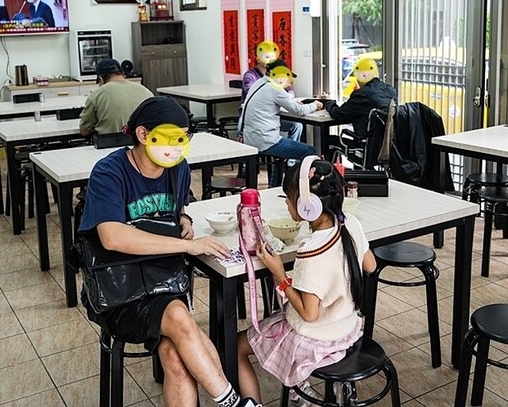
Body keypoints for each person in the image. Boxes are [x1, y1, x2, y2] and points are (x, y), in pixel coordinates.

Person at [78, 96, 258, 407]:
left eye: (183, 138)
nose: (178, 146)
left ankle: (232, 400)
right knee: (177, 315)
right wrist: (188, 245)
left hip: (163, 281)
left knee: (174, 354)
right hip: (120, 291)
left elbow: (179, 204)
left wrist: (184, 218)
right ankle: (231, 401)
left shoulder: (178, 168)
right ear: (144, 135)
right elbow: (111, 237)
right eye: (171, 138)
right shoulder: (109, 172)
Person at [235, 157, 376, 403]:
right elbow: (371, 265)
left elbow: (309, 314)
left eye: (288, 199)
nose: (287, 205)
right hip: (345, 325)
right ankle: (299, 388)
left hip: (316, 335)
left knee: (236, 347)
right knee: (278, 319)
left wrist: (279, 273)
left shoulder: (312, 251)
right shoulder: (350, 223)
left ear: (307, 206)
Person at [239, 59, 322, 187]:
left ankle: (275, 184)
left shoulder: (259, 83)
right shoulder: (275, 88)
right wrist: (315, 105)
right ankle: (297, 186)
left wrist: (292, 104)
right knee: (310, 151)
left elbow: (270, 104)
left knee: (294, 126)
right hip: (264, 140)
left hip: (250, 136)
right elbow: (299, 111)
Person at [240, 40, 303, 144]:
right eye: (267, 57)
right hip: (255, 118)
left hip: (275, 115)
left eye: (273, 58)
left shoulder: (277, 74)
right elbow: (253, 95)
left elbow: (290, 89)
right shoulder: (250, 76)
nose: (270, 61)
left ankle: (289, 159)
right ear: (258, 59)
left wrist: (288, 98)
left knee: (297, 125)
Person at [323, 57, 397, 139]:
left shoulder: (362, 94)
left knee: (329, 139)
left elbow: (338, 114)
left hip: (366, 142)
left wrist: (329, 104)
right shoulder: (391, 91)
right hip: (388, 143)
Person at [79, 58, 153, 136]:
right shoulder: (146, 92)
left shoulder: (96, 95)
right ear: (123, 74)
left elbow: (84, 131)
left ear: (101, 80)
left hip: (109, 145)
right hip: (142, 144)